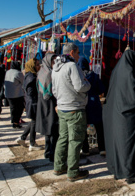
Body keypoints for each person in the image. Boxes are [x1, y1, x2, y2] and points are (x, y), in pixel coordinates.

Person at [103, 49, 135, 184]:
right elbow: (134, 94)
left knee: (120, 145)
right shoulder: (129, 73)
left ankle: (120, 170)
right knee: (132, 146)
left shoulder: (117, 71)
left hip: (117, 114)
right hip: (129, 117)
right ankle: (132, 173)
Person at [52, 43, 91, 182]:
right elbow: (80, 86)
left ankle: (59, 166)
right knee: (75, 140)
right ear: (73, 52)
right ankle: (73, 172)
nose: (79, 56)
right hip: (74, 108)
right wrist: (88, 84)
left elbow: (54, 91)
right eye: (78, 52)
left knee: (63, 138)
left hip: (62, 108)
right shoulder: (72, 66)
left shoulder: (55, 68)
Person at [77, 57, 106, 156]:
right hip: (95, 103)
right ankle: (102, 148)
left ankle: (85, 149)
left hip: (84, 104)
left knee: (83, 126)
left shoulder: (79, 77)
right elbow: (101, 90)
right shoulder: (94, 75)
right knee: (99, 126)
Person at [36, 53, 59, 162]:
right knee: (53, 129)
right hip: (49, 102)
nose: (55, 63)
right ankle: (52, 153)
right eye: (53, 61)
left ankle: (47, 151)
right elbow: (50, 91)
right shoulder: (50, 73)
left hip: (42, 102)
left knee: (47, 129)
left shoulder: (41, 71)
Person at [16, 58, 42, 151]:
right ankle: (32, 143)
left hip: (31, 102)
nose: (39, 67)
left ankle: (22, 137)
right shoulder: (32, 78)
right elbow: (31, 92)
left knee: (33, 122)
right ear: (32, 66)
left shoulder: (29, 75)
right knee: (34, 122)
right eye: (37, 65)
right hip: (33, 103)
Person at [4, 61, 25, 128]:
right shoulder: (18, 73)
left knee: (13, 108)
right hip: (17, 94)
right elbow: (23, 82)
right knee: (20, 108)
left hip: (8, 93)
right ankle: (15, 122)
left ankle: (15, 122)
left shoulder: (8, 72)